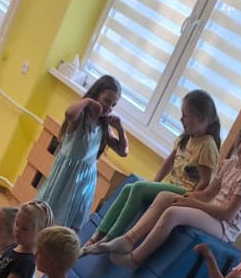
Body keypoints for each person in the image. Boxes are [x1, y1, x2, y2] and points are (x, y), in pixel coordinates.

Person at [95, 123, 241, 268]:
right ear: (238, 141)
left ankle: (135, 259)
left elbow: (227, 214)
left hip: (225, 227)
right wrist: (190, 197)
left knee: (173, 213)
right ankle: (129, 239)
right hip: (213, 213)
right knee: (165, 197)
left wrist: (194, 204)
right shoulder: (230, 164)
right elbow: (209, 193)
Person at [83, 91, 220, 249]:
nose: (181, 119)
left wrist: (189, 201)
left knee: (139, 188)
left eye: (185, 115)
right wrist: (154, 183)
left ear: (201, 118)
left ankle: (111, 237)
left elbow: (205, 182)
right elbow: (169, 162)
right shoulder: (187, 137)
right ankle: (98, 233)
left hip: (186, 193)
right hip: (174, 188)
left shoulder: (207, 145)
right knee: (129, 188)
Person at [42, 76, 127, 233]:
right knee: (50, 213)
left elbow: (123, 152)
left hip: (86, 178)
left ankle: (60, 244)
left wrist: (120, 129)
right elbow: (69, 113)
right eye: (106, 100)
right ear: (96, 94)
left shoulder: (104, 126)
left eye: (113, 104)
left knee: (74, 221)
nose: (109, 107)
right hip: (67, 173)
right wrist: (87, 101)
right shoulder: (81, 117)